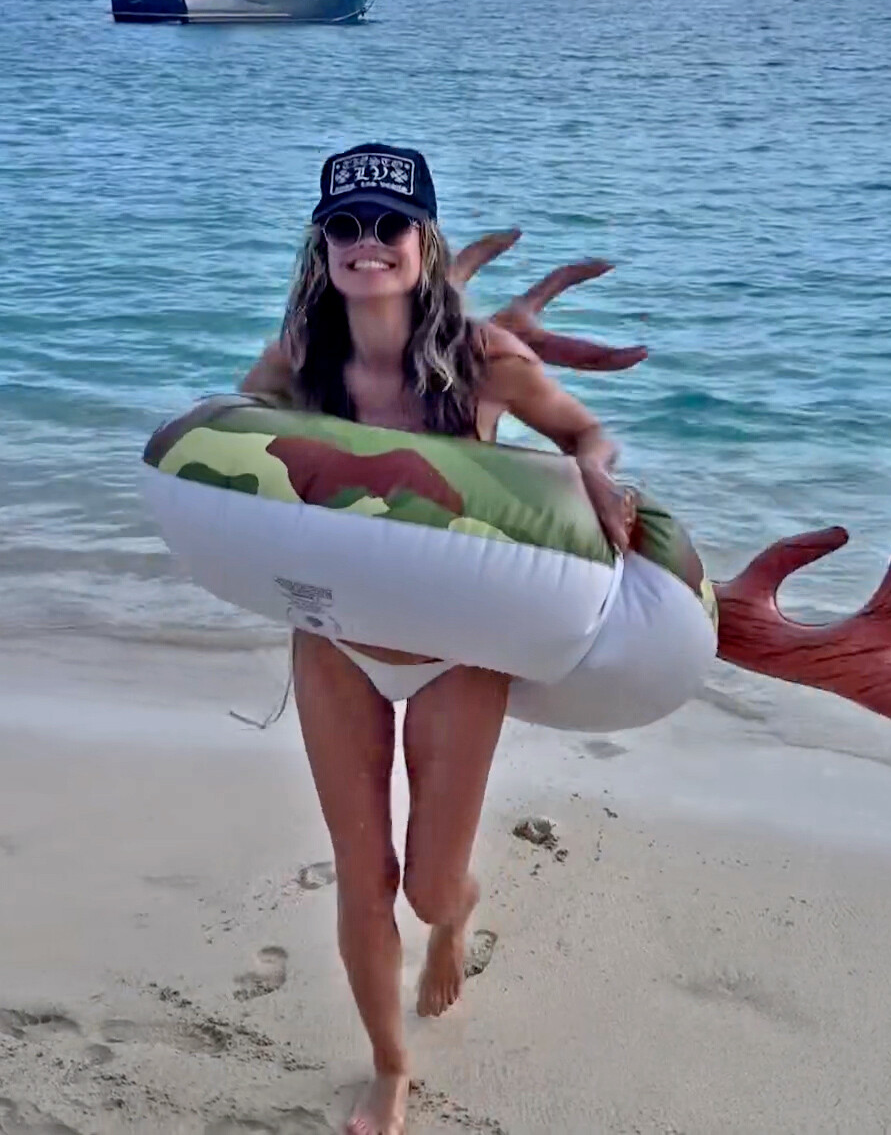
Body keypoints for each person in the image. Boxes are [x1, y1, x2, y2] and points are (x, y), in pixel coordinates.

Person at [240, 144, 638, 1135]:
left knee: (425, 887)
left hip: (460, 649)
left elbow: (584, 433)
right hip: (338, 641)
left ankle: (455, 920)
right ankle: (390, 1067)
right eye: (345, 225)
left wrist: (594, 472)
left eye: (389, 224)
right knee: (363, 876)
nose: (366, 243)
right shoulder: (299, 359)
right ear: (322, 244)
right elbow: (233, 445)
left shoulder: (484, 358)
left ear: (424, 238)